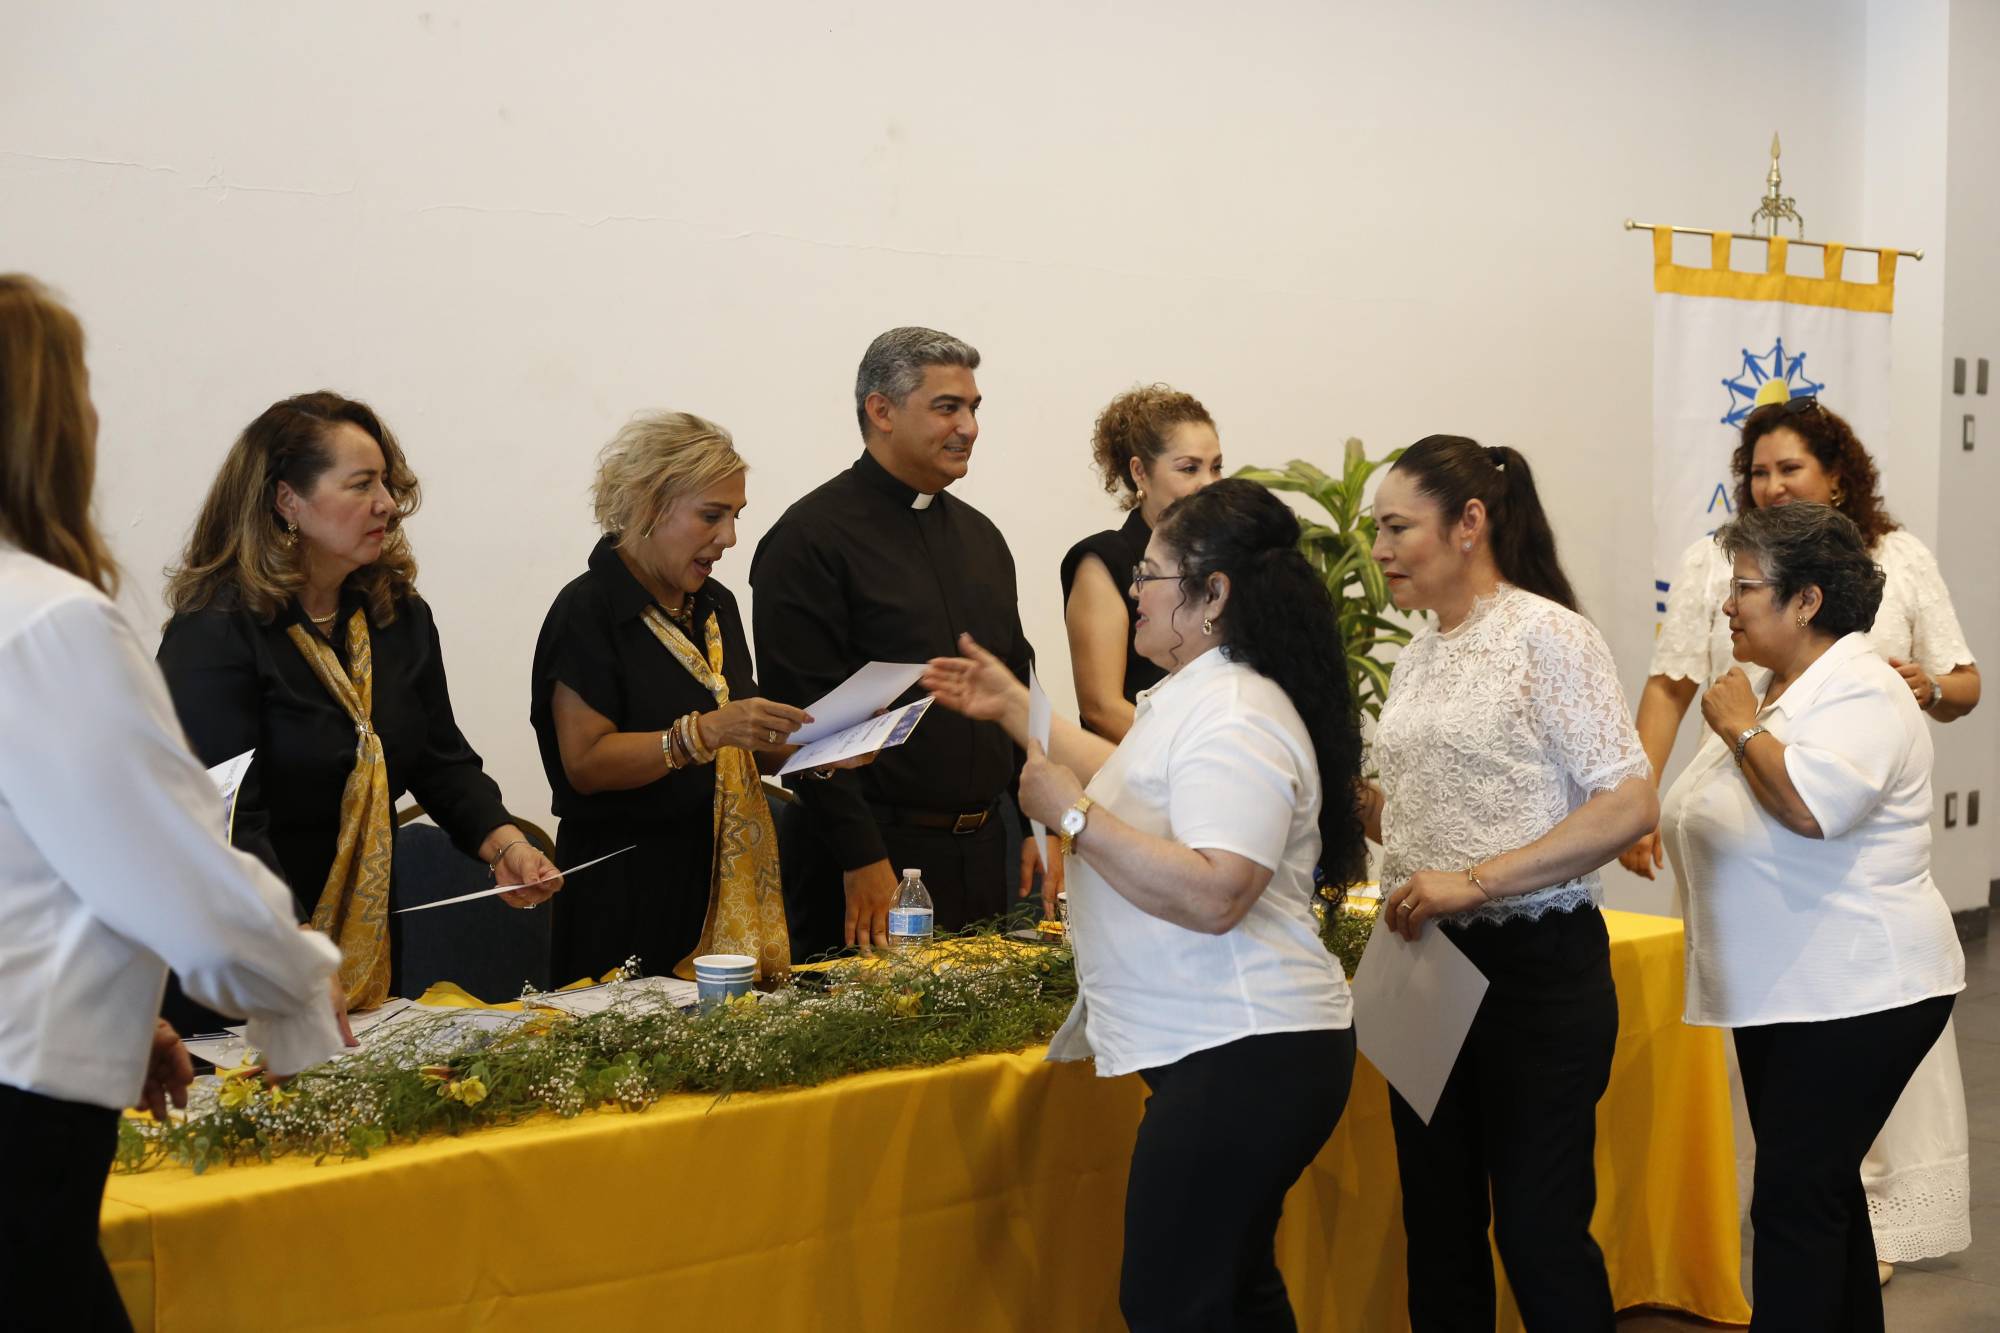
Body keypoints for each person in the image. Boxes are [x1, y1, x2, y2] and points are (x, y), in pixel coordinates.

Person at [923, 478, 1367, 1329]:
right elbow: (1130, 779)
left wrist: (1073, 821)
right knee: (1231, 1290)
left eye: (1151, 574)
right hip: (1238, 1046)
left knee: (1173, 1303)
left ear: (1213, 595)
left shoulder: (1236, 712)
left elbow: (1216, 891)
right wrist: (1020, 709)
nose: (1133, 590)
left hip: (1245, 1047)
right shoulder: (1206, 690)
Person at [0, 274, 350, 1333]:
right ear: (49, 424)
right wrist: (296, 989)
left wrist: (122, 1006)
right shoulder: (50, 622)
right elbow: (182, 879)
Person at [1625, 392, 1979, 1275]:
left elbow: (1814, 808)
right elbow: (1680, 707)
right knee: (1817, 1196)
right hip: (1795, 976)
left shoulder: (1855, 683)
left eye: (1744, 591)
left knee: (1794, 1200)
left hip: (1854, 975)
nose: (1727, 610)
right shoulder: (1781, 683)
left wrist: (1744, 727)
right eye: (1759, 469)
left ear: (1807, 597)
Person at [1366, 435, 1656, 1331]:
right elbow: (1423, 811)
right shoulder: (1418, 655)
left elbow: (1629, 801)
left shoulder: (1548, 635)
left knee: (1537, 1229)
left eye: (1395, 527)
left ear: (1470, 524)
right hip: (1420, 965)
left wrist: (1479, 881)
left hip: (1534, 969)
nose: (1377, 550)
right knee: (1438, 1227)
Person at [158, 391, 560, 1022]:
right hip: (243, 964)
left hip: (360, 958)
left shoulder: (395, 615)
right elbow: (222, 819)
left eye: (387, 483)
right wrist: (293, 955)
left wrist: (504, 842)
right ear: (287, 500)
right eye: (362, 485)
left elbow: (439, 758)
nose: (388, 505)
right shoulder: (216, 630)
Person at [750, 326, 1047, 955]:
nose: (969, 426)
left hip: (987, 849)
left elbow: (1017, 683)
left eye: (973, 408)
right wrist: (862, 858)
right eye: (947, 407)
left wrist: (1039, 826)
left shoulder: (982, 538)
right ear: (880, 411)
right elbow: (805, 721)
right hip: (870, 861)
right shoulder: (809, 540)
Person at [531, 411, 812, 985]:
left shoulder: (716, 605)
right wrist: (701, 733)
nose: (729, 538)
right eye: (711, 515)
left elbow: (748, 741)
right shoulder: (587, 612)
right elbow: (584, 765)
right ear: (647, 507)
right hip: (626, 891)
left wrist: (826, 746)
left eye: (735, 516)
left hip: (719, 878)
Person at [1060, 383, 1223, 739]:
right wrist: (1190, 756)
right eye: (1189, 469)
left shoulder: (1222, 560)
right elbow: (1101, 709)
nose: (1209, 484)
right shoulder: (1105, 560)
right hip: (1137, 771)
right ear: (1140, 472)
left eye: (1216, 467)